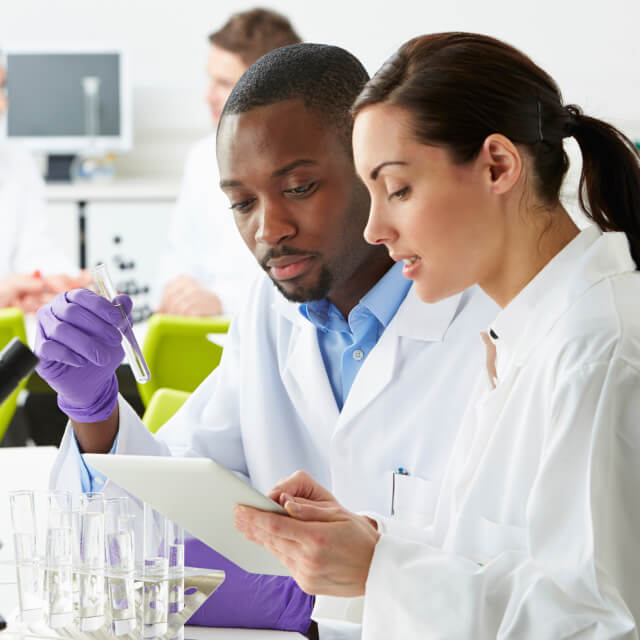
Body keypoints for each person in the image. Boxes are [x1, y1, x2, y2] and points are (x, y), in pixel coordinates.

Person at [36, 44, 498, 636]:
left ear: (372, 166)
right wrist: (93, 409)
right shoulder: (272, 310)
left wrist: (349, 595)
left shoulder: (487, 320)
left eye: (300, 187)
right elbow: (164, 510)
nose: (269, 230)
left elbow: (540, 586)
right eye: (242, 202)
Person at [233, 33, 640, 639]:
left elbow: (600, 624)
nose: (375, 228)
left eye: (397, 189)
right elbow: (498, 563)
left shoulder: (598, 351)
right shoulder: (526, 334)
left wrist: (382, 571)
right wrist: (368, 544)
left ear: (498, 166)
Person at [156, 8, 302, 316]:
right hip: (194, 329)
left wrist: (221, 302)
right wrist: (177, 291)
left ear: (268, 89)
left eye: (223, 83)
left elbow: (303, 283)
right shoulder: (201, 158)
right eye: (210, 80)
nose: (208, 96)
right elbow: (177, 259)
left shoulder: (305, 168)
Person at [0, 65, 90, 312]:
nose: (4, 105)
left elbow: (35, 248)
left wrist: (62, 282)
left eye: (2, 88)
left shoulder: (17, 161)